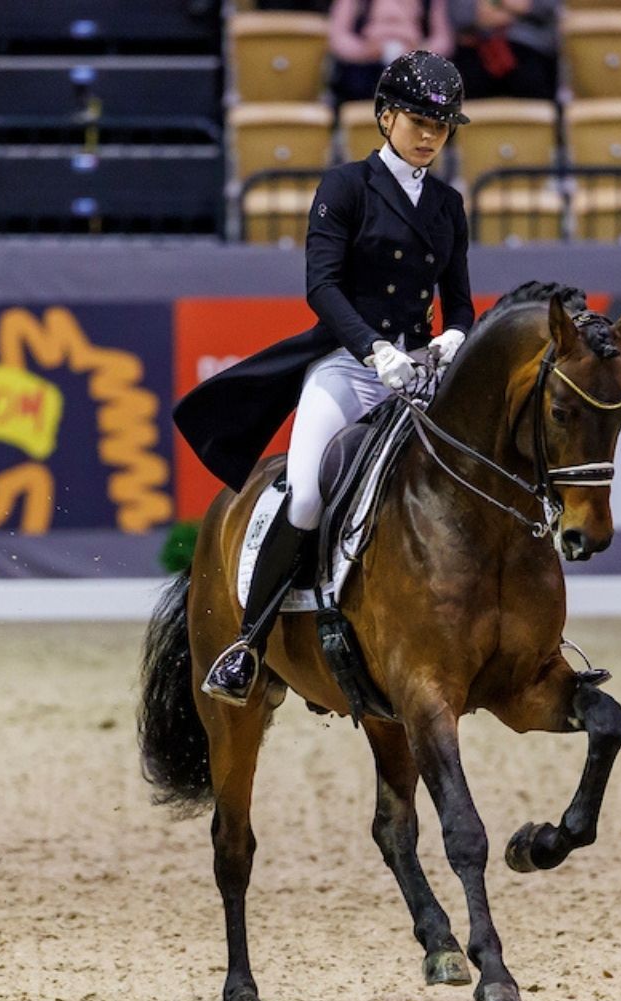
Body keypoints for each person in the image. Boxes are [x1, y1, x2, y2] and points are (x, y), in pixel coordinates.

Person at [173, 51, 475, 706]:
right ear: (386, 117)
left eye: (442, 125)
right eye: (419, 120)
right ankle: (248, 643)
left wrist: (452, 337)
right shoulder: (346, 187)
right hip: (348, 367)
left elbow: (460, 301)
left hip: (419, 374)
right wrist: (373, 351)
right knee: (307, 494)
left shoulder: (448, 205)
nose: (429, 135)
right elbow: (322, 288)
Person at [329, 0, 456, 104]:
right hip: (367, 62)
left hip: (414, 61)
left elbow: (443, 41)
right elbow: (338, 38)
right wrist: (365, 51)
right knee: (355, 82)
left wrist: (418, 52)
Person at [448, 0, 558, 101]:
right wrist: (513, 10)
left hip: (531, 48)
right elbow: (461, 15)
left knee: (531, 78)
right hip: (479, 46)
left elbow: (549, 8)